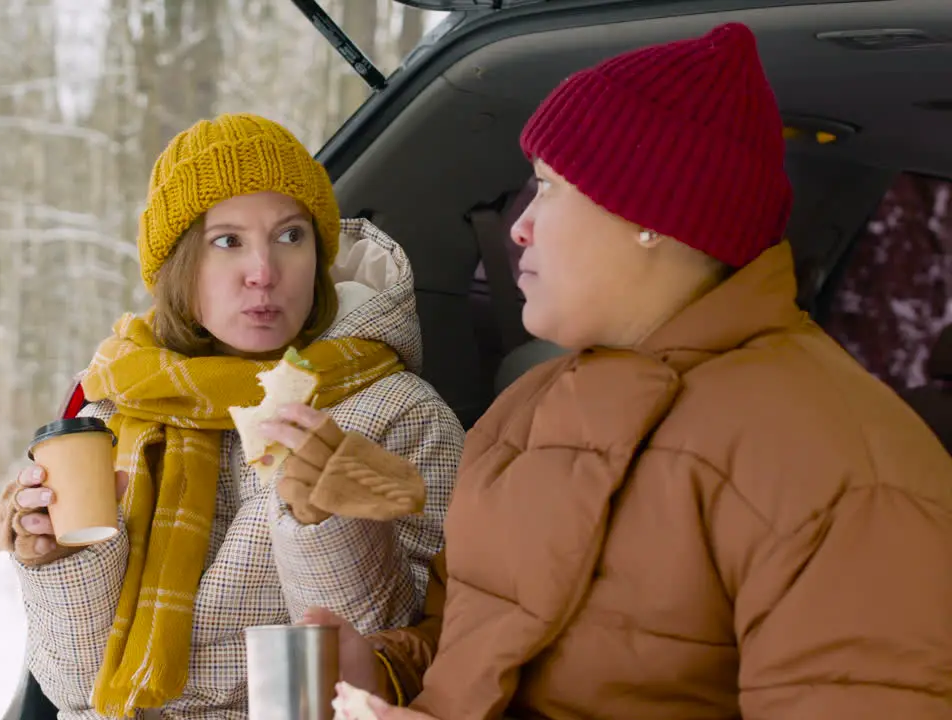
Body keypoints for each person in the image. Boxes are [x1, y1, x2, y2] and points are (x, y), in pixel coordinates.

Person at [315, 22, 952, 720]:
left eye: (548, 188)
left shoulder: (842, 459)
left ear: (650, 212)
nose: (519, 227)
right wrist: (381, 673)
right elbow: (478, 645)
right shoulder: (522, 410)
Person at [0, 112, 464, 720]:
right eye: (228, 240)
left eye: (291, 236)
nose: (263, 270)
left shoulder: (403, 415)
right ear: (178, 266)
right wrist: (58, 558)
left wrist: (323, 520)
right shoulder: (112, 408)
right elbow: (77, 686)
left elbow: (386, 670)